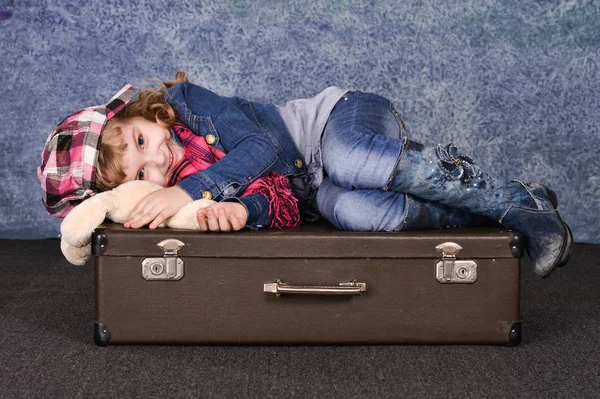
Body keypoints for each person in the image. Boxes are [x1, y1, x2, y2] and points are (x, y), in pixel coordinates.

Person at [38, 71, 572, 279]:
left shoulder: (189, 106)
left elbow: (264, 150)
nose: (157, 159)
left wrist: (188, 188)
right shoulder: (181, 194)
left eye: (140, 141)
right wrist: (243, 210)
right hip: (318, 191)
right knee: (357, 213)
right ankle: (520, 207)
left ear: (139, 115)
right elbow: (279, 199)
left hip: (335, 124)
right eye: (142, 173)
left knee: (346, 161)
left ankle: (520, 207)